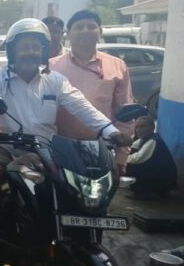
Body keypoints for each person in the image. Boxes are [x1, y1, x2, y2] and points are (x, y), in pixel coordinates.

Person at [0, 19, 132, 266]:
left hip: (43, 150)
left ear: (43, 50)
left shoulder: (56, 80)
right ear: (13, 50)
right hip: (5, 146)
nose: (30, 51)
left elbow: (82, 107)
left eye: (35, 46)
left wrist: (111, 131)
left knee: (69, 184)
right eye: (24, 46)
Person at [51, 10, 135, 174]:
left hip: (102, 148)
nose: (85, 31)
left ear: (100, 32)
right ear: (68, 34)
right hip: (60, 148)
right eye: (79, 27)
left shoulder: (117, 66)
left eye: (91, 27)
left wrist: (121, 157)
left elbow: (125, 114)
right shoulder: (51, 67)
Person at [126, 116, 178, 198]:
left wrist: (122, 160)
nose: (139, 130)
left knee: (132, 164)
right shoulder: (143, 140)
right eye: (137, 127)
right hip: (160, 177)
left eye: (142, 126)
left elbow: (138, 158)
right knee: (130, 160)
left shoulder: (153, 140)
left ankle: (147, 191)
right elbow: (131, 148)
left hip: (163, 180)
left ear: (152, 128)